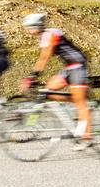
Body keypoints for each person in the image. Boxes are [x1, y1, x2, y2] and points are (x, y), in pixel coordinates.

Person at [22, 13, 92, 148]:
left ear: (36, 26)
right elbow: (43, 57)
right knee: (47, 91)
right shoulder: (44, 36)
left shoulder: (51, 33)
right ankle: (79, 101)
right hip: (69, 67)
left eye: (29, 28)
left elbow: (45, 57)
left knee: (81, 104)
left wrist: (32, 77)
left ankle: (86, 138)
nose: (27, 31)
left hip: (78, 66)